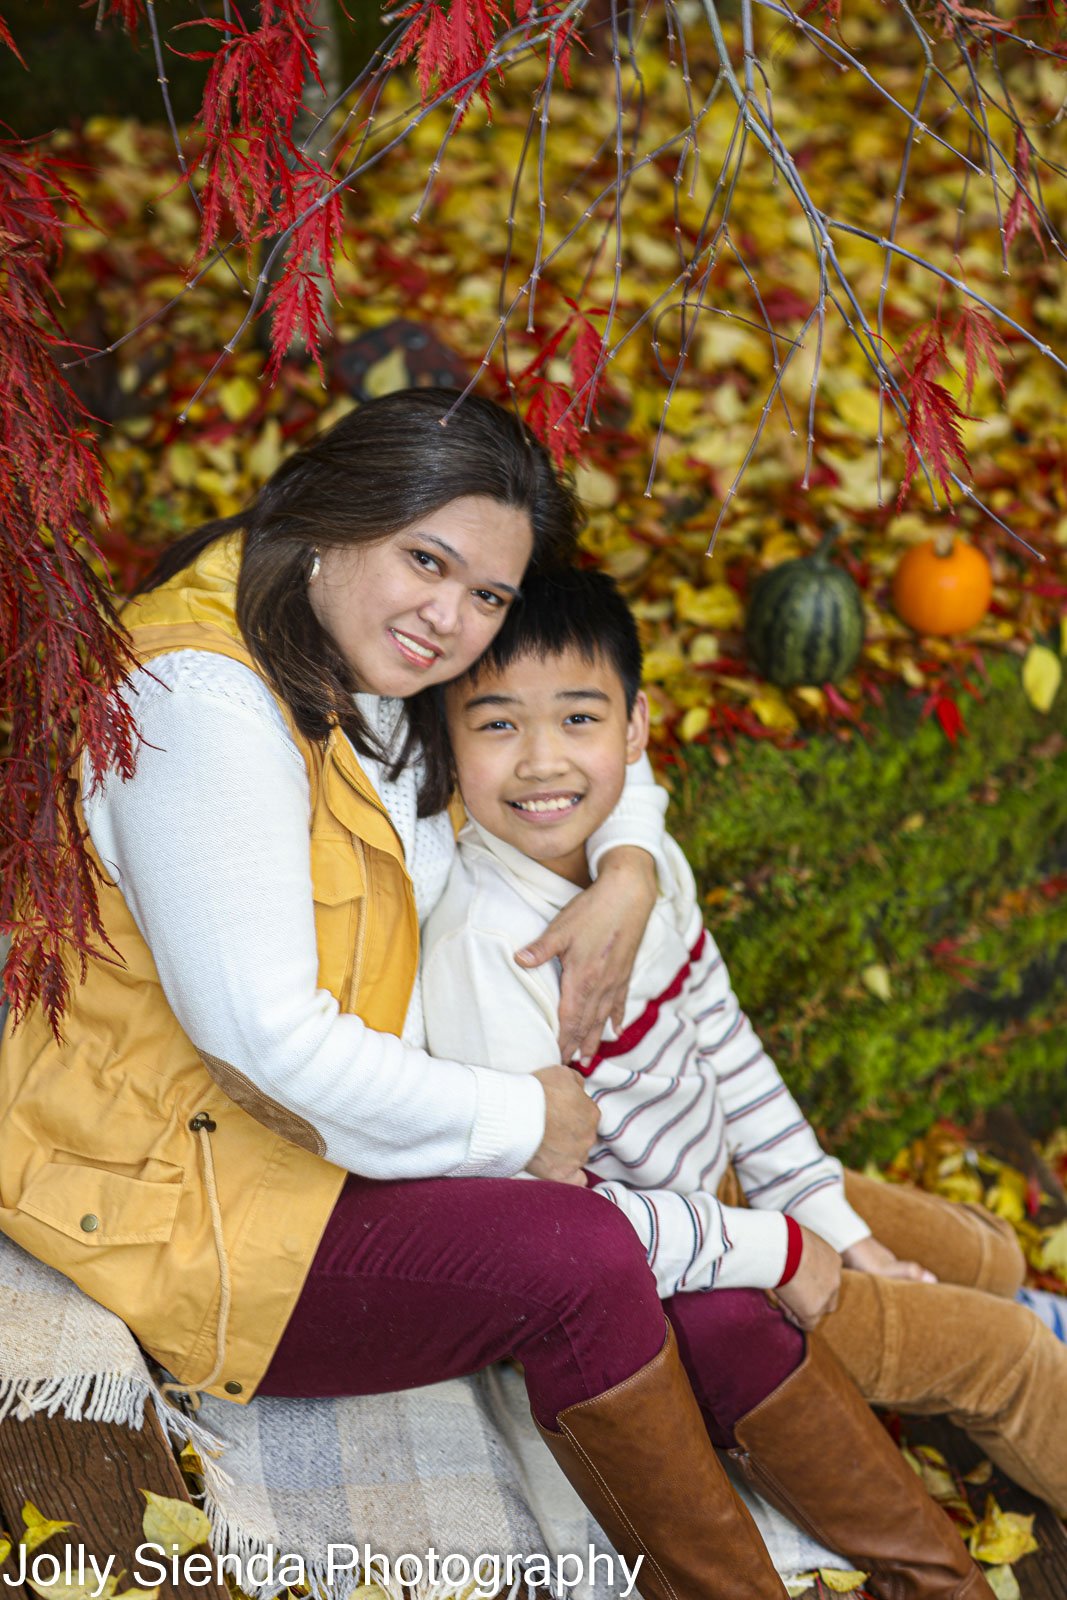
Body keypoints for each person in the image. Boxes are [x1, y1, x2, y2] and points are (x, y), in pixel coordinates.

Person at [1, 388, 813, 1600]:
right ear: (335, 517)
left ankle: (900, 1496)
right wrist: (523, 1118)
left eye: (486, 592)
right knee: (582, 1254)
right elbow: (264, 1040)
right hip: (195, 1190)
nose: (452, 619)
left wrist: (631, 858)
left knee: (708, 1273)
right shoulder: (202, 704)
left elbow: (564, 705)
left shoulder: (363, 638)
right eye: (425, 562)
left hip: (351, 1131)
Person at [421, 566, 1060, 1589]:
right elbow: (559, 1237)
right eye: (495, 725)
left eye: (576, 717)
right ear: (444, 745)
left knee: (978, 1255)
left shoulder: (642, 868)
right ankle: (1026, 1367)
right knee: (1006, 1357)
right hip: (681, 1273)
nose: (540, 760)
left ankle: (1016, 1319)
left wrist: (837, 1224)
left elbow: (728, 1049)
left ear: (634, 727)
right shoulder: (480, 955)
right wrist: (787, 1249)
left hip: (732, 1193)